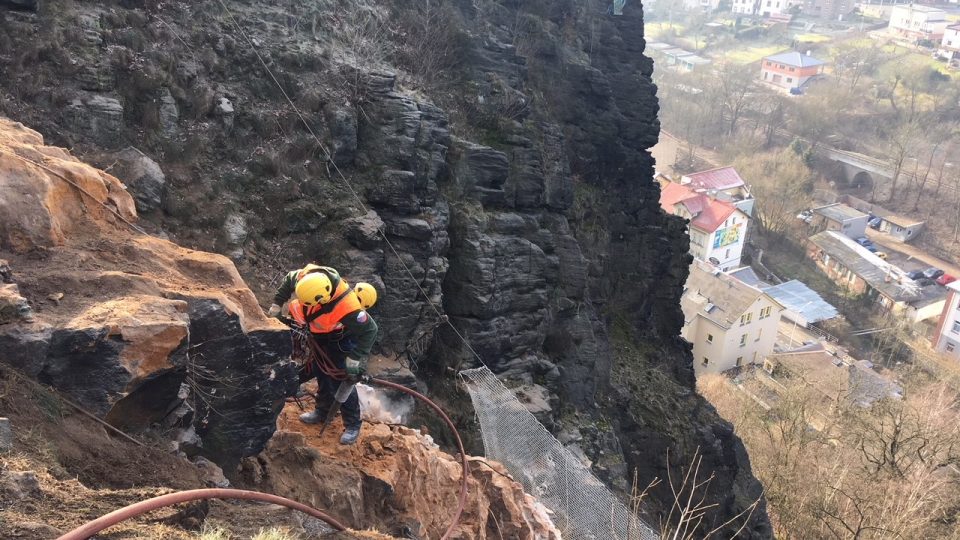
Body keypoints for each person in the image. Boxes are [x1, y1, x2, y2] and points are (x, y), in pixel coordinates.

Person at [268, 264, 379, 445]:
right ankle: (322, 411)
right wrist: (276, 304)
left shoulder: (348, 306)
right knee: (321, 372)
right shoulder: (307, 279)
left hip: (339, 340)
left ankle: (352, 424)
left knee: (340, 378)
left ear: (323, 298)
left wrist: (355, 358)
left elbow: (370, 330)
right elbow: (289, 279)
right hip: (318, 335)